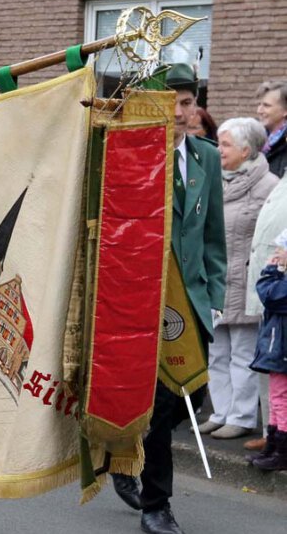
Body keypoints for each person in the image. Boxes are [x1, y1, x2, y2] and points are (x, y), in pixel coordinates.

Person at [111, 63, 226, 534]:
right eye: (173, 102)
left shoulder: (207, 157)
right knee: (160, 404)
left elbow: (214, 236)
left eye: (188, 101)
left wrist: (215, 294)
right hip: (140, 305)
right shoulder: (129, 155)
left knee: (193, 397)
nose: (182, 112)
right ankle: (156, 505)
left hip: (192, 305)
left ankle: (121, 450)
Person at [195, 118, 278, 441]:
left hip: (246, 284)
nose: (219, 150)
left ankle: (241, 416)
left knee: (243, 353)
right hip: (217, 282)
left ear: (246, 150)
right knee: (216, 352)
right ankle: (220, 412)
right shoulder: (215, 180)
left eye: (226, 144)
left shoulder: (268, 186)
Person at [250, 233, 287, 471]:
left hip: (282, 348)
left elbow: (271, 296)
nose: (277, 255)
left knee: (281, 398)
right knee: (276, 396)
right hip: (279, 347)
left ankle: (282, 450)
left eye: (281, 250)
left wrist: (272, 271)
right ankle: (274, 444)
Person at [257, 81, 287, 177]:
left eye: (266, 106)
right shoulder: (254, 139)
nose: (259, 111)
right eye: (259, 104)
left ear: (285, 111)